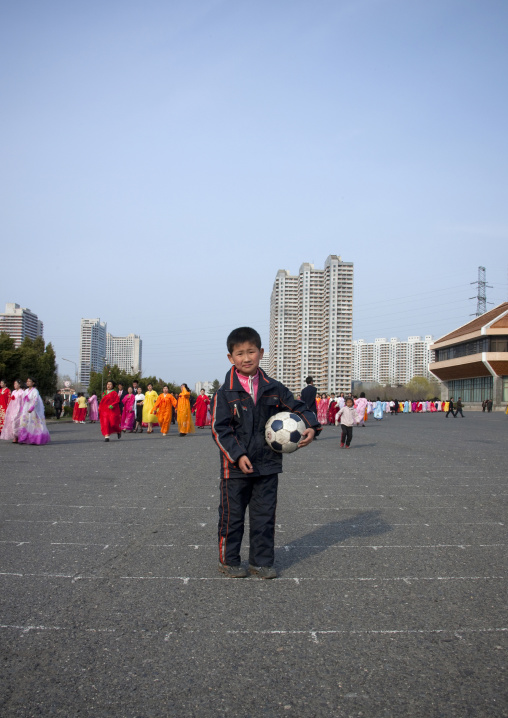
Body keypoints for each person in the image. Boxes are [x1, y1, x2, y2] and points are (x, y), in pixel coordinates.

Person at [211, 326, 319, 579]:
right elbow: (220, 429)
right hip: (235, 469)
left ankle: (261, 562)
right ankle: (229, 561)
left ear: (261, 353)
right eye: (239, 353)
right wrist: (237, 454)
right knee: (232, 517)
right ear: (230, 358)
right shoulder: (225, 393)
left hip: (267, 465)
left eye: (251, 352)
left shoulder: (274, 388)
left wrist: (312, 427)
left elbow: (300, 407)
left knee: (264, 516)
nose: (246, 358)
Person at [18, 377, 51, 445]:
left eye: (29, 381)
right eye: (27, 381)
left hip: (33, 410)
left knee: (33, 424)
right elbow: (23, 400)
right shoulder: (26, 391)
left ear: (33, 383)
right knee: (24, 423)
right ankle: (24, 438)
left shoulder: (35, 391)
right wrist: (22, 408)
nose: (28, 382)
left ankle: (35, 439)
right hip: (26, 409)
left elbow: (35, 400)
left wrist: (32, 408)